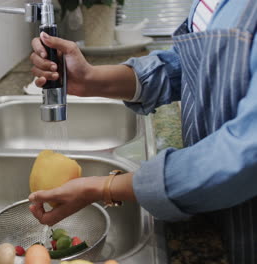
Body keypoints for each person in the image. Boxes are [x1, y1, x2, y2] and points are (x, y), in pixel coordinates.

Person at [27, 1, 257, 263]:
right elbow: (194, 66)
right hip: (216, 206)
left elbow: (246, 155)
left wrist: (106, 187)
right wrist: (90, 78)